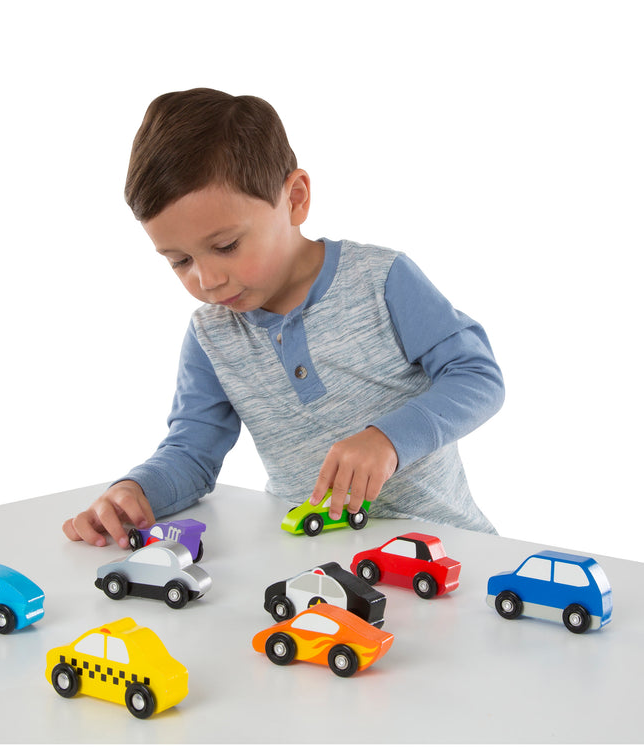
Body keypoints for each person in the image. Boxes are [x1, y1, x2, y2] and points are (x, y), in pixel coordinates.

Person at [63, 88, 505, 549]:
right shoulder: (211, 335)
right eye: (179, 261)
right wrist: (134, 491)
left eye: (226, 246)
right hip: (316, 557)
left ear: (295, 199)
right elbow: (191, 453)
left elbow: (478, 376)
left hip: (443, 549)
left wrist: (387, 440)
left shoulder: (381, 279)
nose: (207, 279)